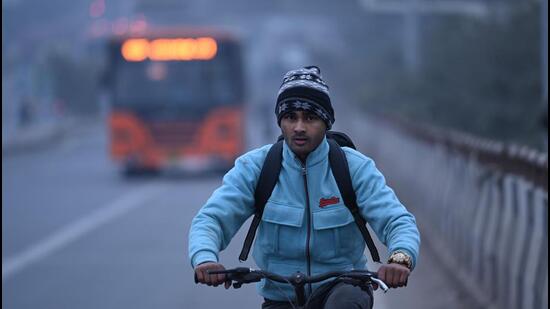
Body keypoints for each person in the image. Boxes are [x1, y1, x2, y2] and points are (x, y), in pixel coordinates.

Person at [189, 66, 420, 308]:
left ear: (326, 122)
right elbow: (212, 219)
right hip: (281, 295)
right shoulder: (255, 168)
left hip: (343, 290)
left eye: (309, 118)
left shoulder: (354, 168)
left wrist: (399, 260)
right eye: (291, 117)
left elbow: (398, 221)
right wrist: (204, 258)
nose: (299, 127)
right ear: (281, 122)